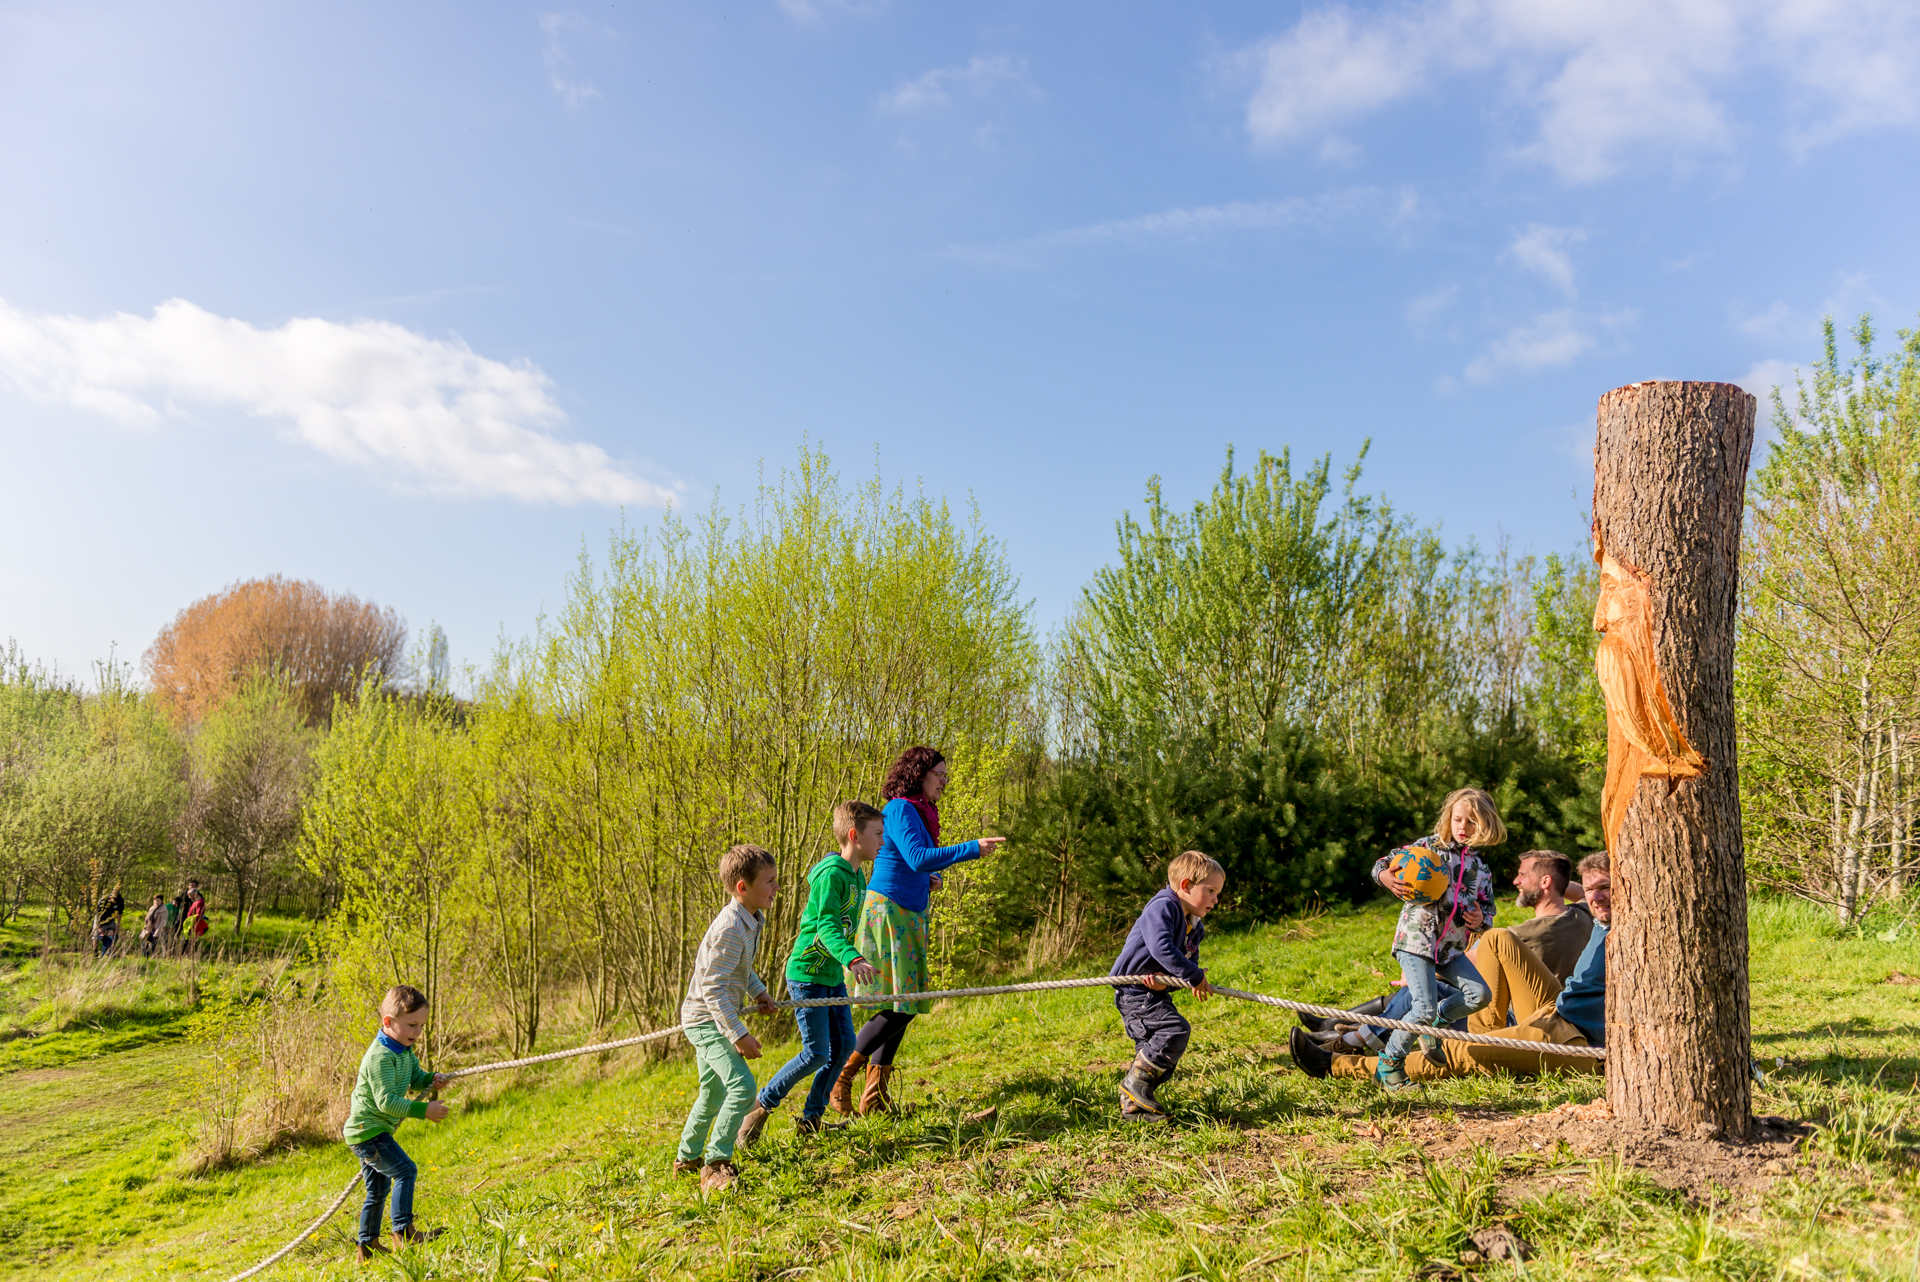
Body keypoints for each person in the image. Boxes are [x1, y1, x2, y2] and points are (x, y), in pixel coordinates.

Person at [1293, 852, 1612, 1083]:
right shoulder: (1589, 912)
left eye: (1606, 888)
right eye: (1589, 889)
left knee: (1461, 1049)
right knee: (1495, 938)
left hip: (1579, 1043)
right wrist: (1574, 883)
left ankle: (1335, 1064)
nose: (1596, 897)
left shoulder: (1630, 927)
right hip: (1555, 1010)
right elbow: (1580, 891)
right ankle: (1488, 1034)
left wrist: (1419, 970)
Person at [830, 747, 1004, 1117]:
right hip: (890, 911)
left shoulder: (920, 811)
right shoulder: (900, 808)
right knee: (902, 1004)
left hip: (908, 910)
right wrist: (973, 848)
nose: (944, 780)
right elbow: (917, 856)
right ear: (918, 774)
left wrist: (929, 879)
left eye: (945, 774)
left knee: (902, 1004)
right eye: (938, 774)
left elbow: (912, 860)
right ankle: (841, 1079)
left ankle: (873, 1097)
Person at [736, 802, 882, 1148]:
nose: (882, 840)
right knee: (816, 1051)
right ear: (854, 836)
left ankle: (812, 1118)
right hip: (807, 973)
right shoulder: (832, 874)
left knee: (845, 1045)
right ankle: (759, 1107)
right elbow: (827, 927)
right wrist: (853, 958)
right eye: (877, 834)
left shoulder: (857, 875)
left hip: (831, 975)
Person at [1368, 788, 1501, 1091]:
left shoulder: (1480, 868)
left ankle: (1434, 1026)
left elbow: (1489, 908)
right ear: (1449, 819)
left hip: (1450, 949)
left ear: (1486, 826)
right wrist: (1385, 877)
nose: (1463, 828)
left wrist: (1482, 920)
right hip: (1416, 941)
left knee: (1478, 996)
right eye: (1458, 819)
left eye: (1472, 822)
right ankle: (1389, 1065)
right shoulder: (1428, 847)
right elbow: (1383, 863)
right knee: (1422, 1008)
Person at [675, 844, 780, 1194]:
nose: (776, 887)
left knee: (713, 1091)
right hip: (706, 1021)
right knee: (743, 1087)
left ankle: (687, 1158)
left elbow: (740, 969)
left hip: (714, 1017)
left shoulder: (749, 920)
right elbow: (713, 988)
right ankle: (716, 1163)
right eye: (770, 881)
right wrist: (738, 1034)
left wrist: (758, 991)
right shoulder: (730, 928)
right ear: (742, 887)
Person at [1108, 851, 1224, 1122]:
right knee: (1174, 1030)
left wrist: (1171, 984)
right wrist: (1193, 975)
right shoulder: (1164, 907)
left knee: (1153, 1046)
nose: (1216, 899)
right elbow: (1162, 948)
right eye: (1210, 891)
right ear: (1185, 885)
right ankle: (1133, 1086)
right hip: (1134, 991)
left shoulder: (1196, 928)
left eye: (1217, 892)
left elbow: (1179, 969)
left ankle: (1135, 1109)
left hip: (1152, 993)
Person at [342, 984, 453, 1262]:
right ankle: (403, 1232)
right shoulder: (380, 1056)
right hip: (368, 1132)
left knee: (378, 1189)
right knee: (405, 1171)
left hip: (372, 1131)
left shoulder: (403, 1049)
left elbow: (415, 1078)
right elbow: (386, 1102)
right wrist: (424, 1110)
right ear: (388, 1022)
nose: (417, 1032)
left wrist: (431, 1079)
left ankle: (366, 1248)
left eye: (421, 1026)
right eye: (412, 1025)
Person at [1506, 850, 1593, 983]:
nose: (1516, 881)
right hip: (1578, 1000)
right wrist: (1558, 883)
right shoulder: (1584, 914)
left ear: (1545, 881)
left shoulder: (1518, 935)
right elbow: (1582, 893)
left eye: (1522, 875)